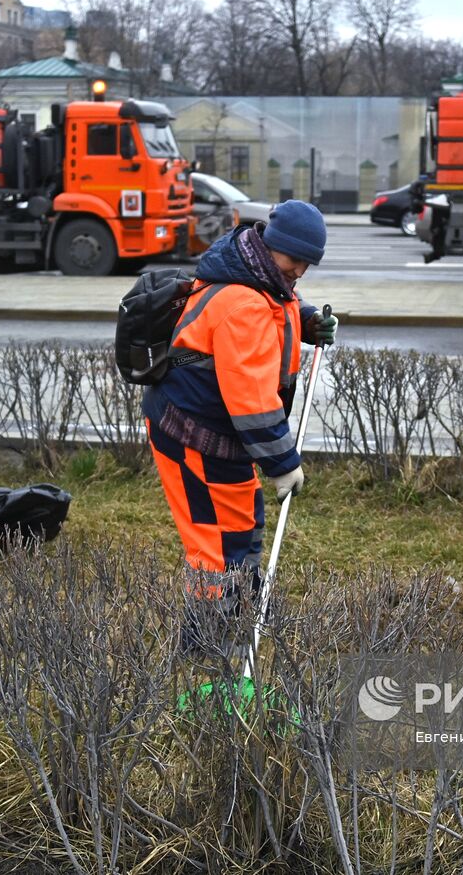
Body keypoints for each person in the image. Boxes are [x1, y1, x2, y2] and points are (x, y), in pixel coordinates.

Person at [143, 199, 339, 650]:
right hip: (192, 435)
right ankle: (206, 649)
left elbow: (280, 306)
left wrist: (306, 321)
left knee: (241, 524)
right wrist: (283, 463)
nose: (301, 272)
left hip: (218, 435)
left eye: (310, 263)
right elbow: (251, 400)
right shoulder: (242, 302)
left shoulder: (256, 273)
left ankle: (236, 608)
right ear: (273, 247)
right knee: (216, 547)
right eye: (296, 260)